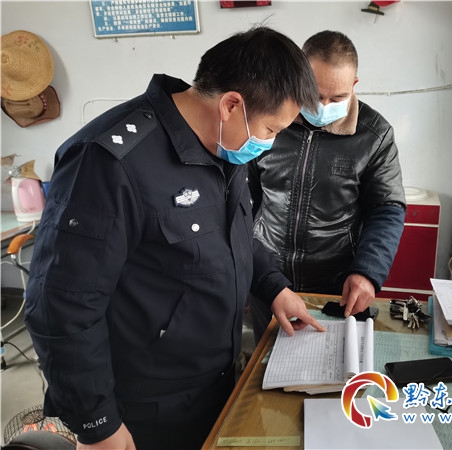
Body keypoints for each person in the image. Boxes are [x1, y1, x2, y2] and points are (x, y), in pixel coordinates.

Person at [23, 26, 325, 450]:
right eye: (271, 129)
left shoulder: (222, 146)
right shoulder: (109, 162)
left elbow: (233, 234)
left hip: (213, 383)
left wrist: (274, 286)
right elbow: (60, 306)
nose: (269, 144)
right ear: (231, 105)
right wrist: (97, 423)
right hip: (141, 407)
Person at [248, 30, 406, 343]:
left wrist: (368, 272)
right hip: (269, 278)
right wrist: (252, 266)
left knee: (328, 362)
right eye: (314, 94)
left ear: (354, 85)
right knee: (267, 360)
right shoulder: (267, 120)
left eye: (336, 98)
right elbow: (246, 199)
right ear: (298, 77)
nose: (323, 105)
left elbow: (386, 209)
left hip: (335, 285)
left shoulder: (374, 135)